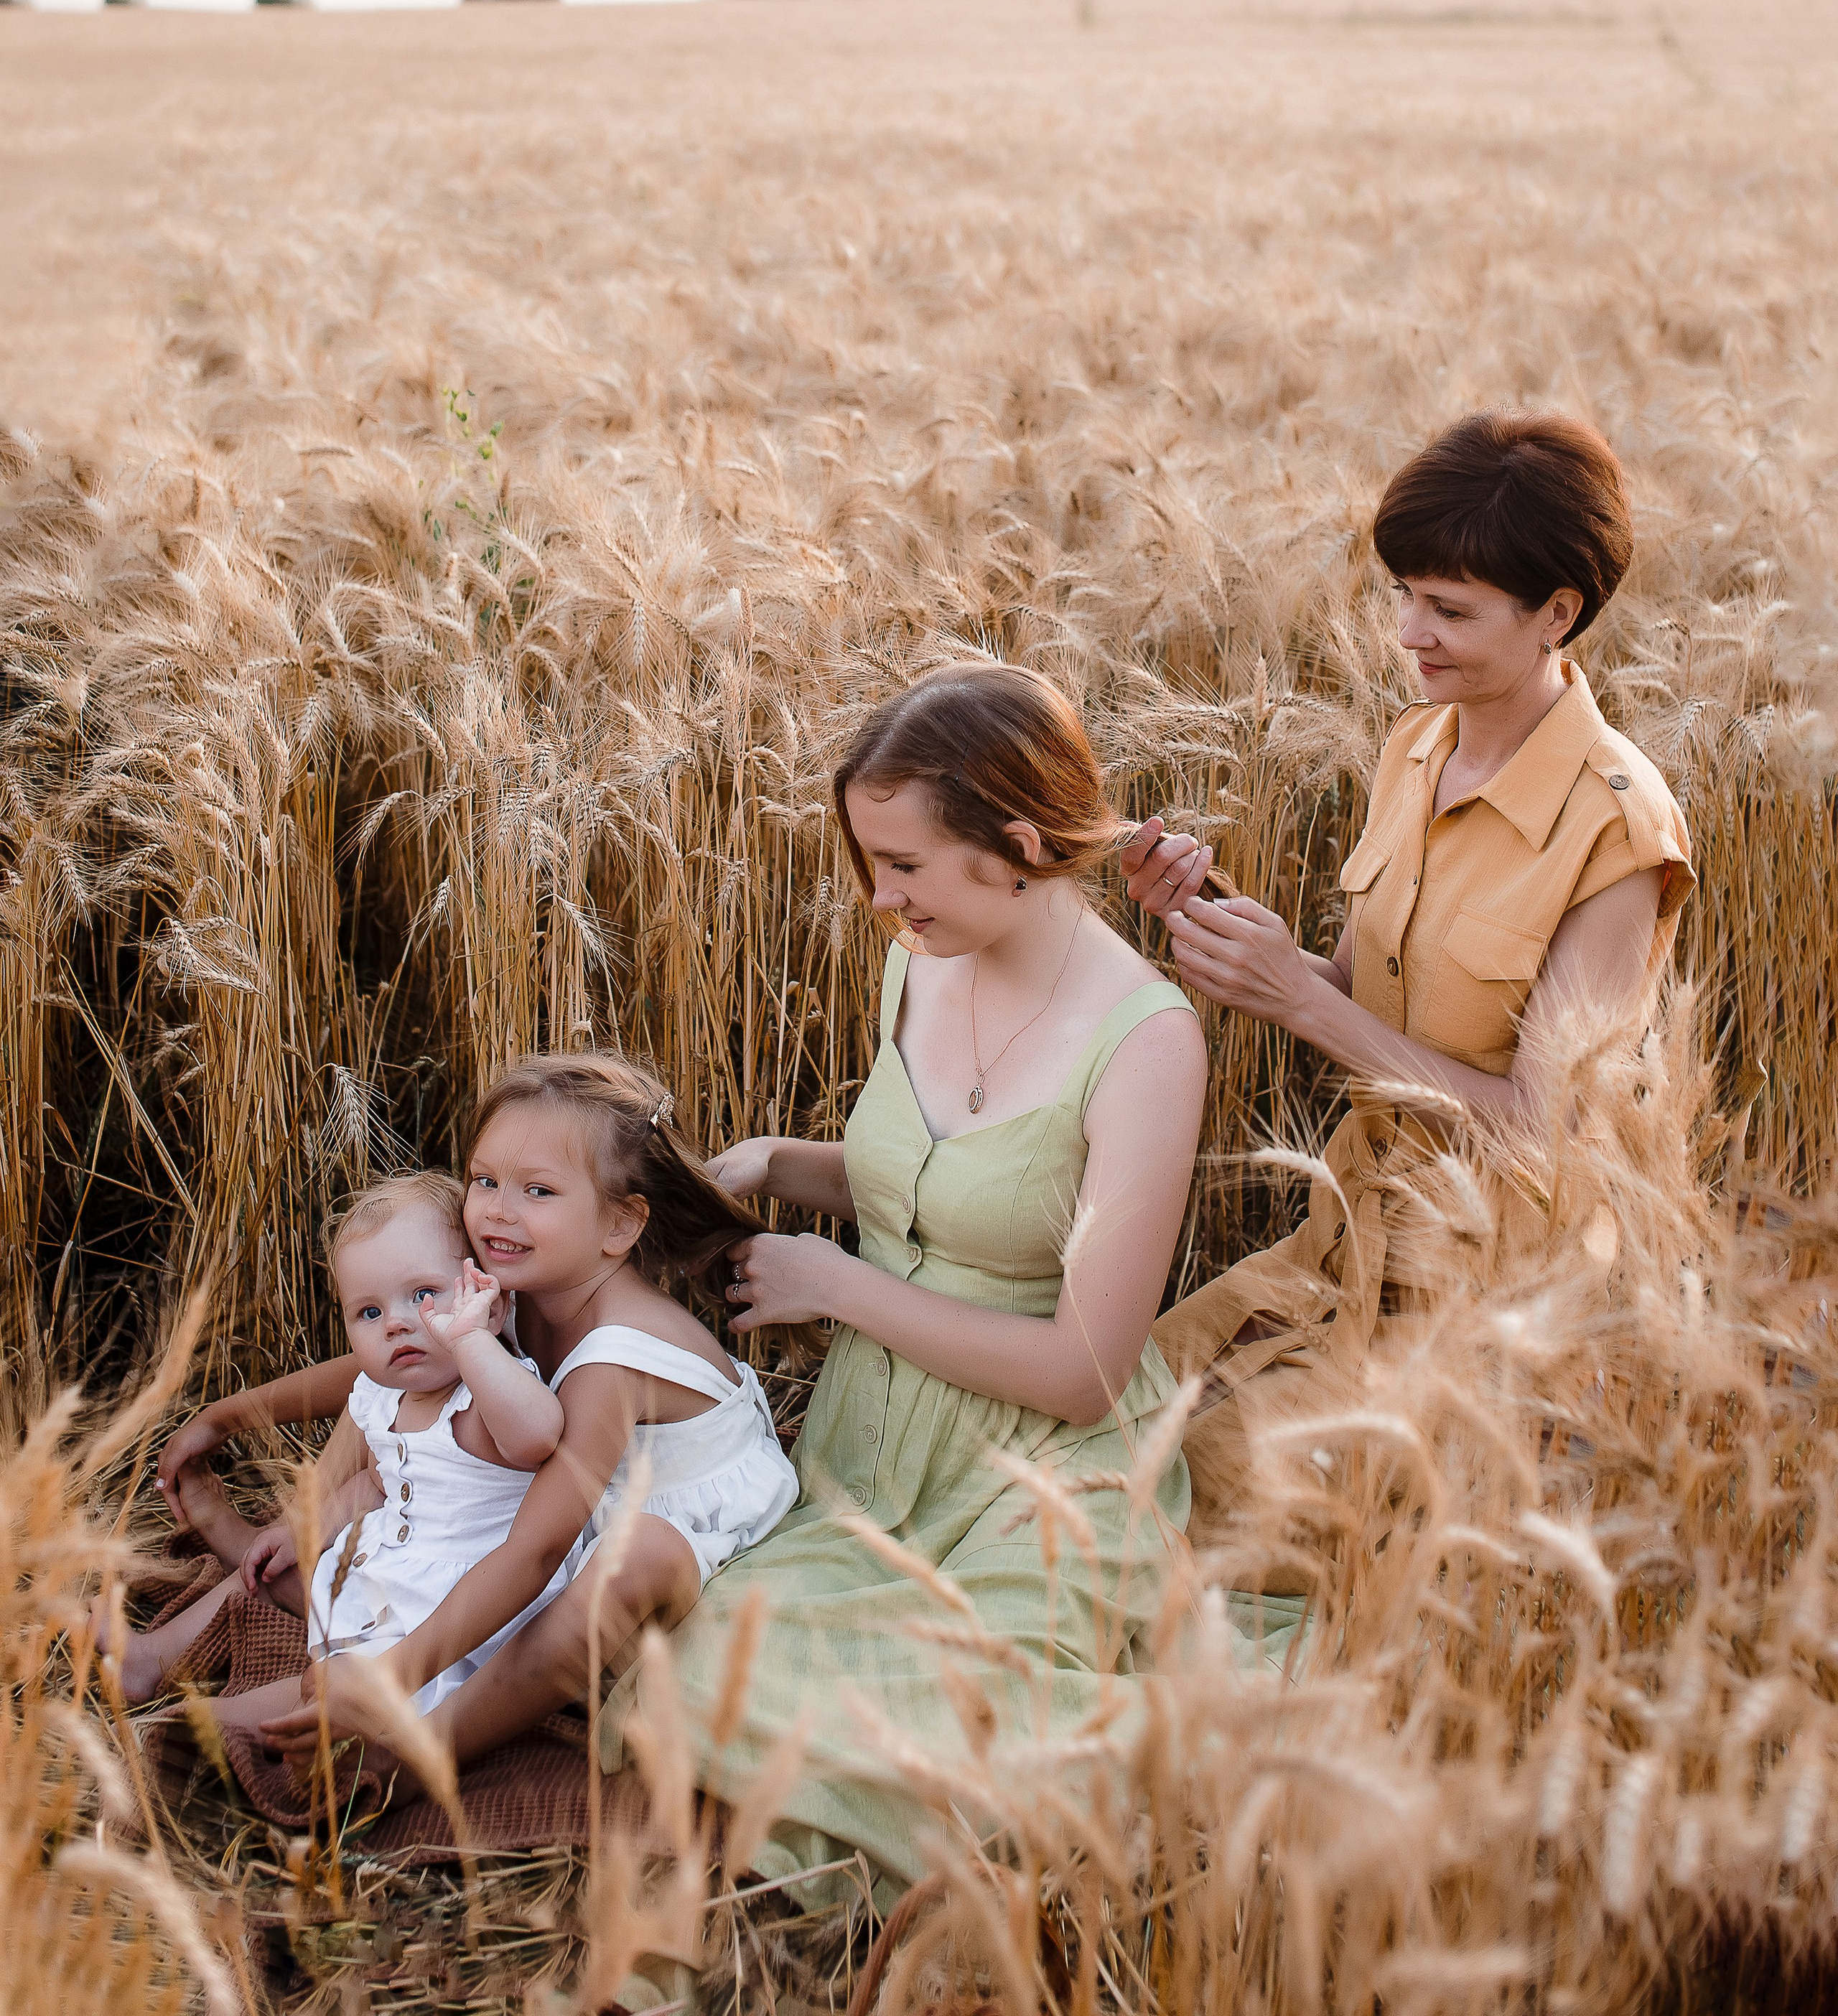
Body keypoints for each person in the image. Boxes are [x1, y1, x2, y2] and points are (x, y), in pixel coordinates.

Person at [645, 661, 1209, 1900]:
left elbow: (1086, 1371)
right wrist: (779, 1165)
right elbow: (946, 1193)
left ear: (1015, 843)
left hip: (1045, 1473)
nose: (879, 898)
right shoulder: (924, 958)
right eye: (870, 862)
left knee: (957, 1721)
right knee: (697, 1652)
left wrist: (836, 1292)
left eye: (902, 864)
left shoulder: (1147, 1042)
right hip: (880, 1440)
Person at [1121, 410, 1694, 1544]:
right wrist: (1235, 929)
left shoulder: (1620, 836)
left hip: (1491, 1290)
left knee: (1204, 1509)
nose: (1408, 634)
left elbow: (1544, 1134)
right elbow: (1362, 990)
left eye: (1449, 610)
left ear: (1557, 615)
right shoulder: (1417, 748)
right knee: (1116, 1420)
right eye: (1403, 595)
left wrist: (1303, 999)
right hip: (1343, 1237)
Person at [158, 1059, 798, 1761]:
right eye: (485, 1179)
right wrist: (230, 1415)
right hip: (553, 1494)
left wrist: (392, 1677)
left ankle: (426, 1743)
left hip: (668, 1519)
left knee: (623, 1560)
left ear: (619, 1224)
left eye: (538, 1190)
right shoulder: (521, 1277)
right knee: (406, 1396)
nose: (497, 1209)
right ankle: (280, 1600)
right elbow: (382, 1365)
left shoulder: (615, 1358)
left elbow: (538, 1550)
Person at [106, 1171, 566, 1720]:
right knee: (276, 1572)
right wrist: (311, 1528)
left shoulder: (486, 1393)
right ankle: (151, 1657)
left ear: (488, 1304)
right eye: (369, 1313)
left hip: (460, 1617)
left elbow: (539, 1435)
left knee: (335, 1683)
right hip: (394, 1572)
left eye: (424, 1296)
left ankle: (208, 1725)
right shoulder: (383, 1394)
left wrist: (470, 1339)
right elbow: (378, 1483)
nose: (396, 1323)